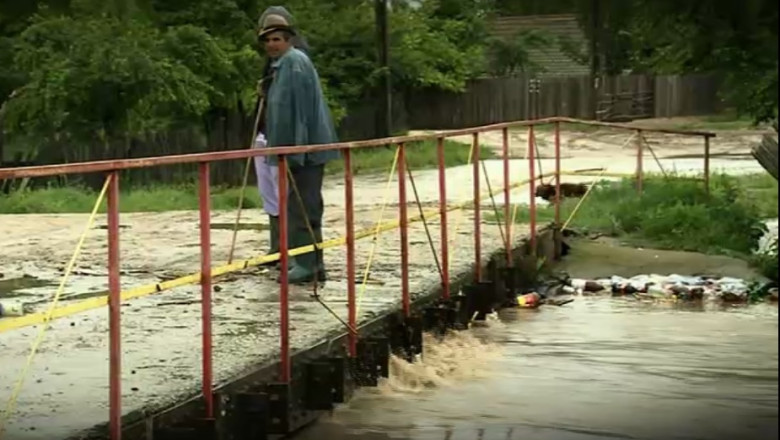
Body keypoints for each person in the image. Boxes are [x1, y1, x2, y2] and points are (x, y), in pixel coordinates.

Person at [257, 7, 339, 285]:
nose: (271, 45)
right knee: (301, 204)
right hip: (297, 149)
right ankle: (311, 263)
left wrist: (298, 151)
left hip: (304, 150)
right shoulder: (281, 65)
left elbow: (301, 112)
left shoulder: (294, 63)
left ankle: (307, 265)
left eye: (276, 39)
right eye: (267, 40)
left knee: (302, 206)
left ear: (289, 39)